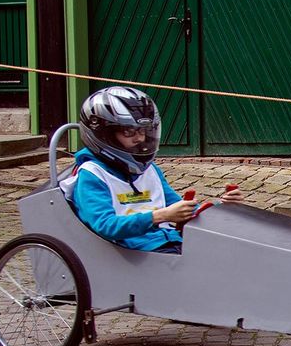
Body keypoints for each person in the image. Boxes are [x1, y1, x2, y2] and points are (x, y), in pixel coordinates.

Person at [69, 86, 243, 254]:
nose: (139, 138)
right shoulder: (92, 175)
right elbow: (105, 225)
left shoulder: (150, 170)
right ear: (103, 134)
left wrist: (221, 208)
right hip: (134, 252)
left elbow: (178, 207)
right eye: (129, 132)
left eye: (143, 131)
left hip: (167, 241)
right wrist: (159, 216)